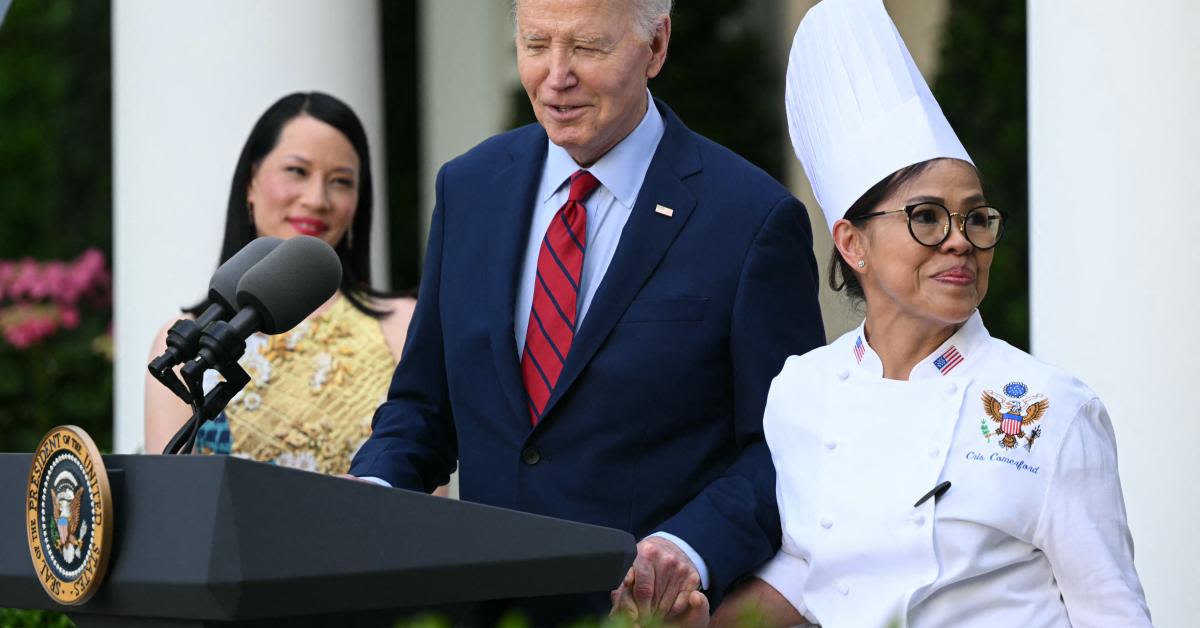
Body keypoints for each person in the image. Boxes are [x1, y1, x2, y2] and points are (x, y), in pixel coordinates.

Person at [347, 0, 825, 623]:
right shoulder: (469, 188)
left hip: (637, 616)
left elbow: (784, 447)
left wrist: (685, 550)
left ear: (656, 47)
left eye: (588, 48)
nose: (555, 75)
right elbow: (422, 407)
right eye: (536, 43)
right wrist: (371, 495)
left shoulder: (750, 218)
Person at [692, 1, 1152, 626]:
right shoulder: (802, 389)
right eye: (927, 216)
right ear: (852, 243)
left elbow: (1113, 611)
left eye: (976, 217)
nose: (960, 239)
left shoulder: (1054, 408)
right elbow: (815, 567)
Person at [144, 92, 415, 477]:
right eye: (297, 172)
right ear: (251, 183)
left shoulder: (402, 325)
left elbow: (421, 496)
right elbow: (167, 498)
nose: (317, 199)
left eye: (341, 181)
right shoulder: (183, 341)